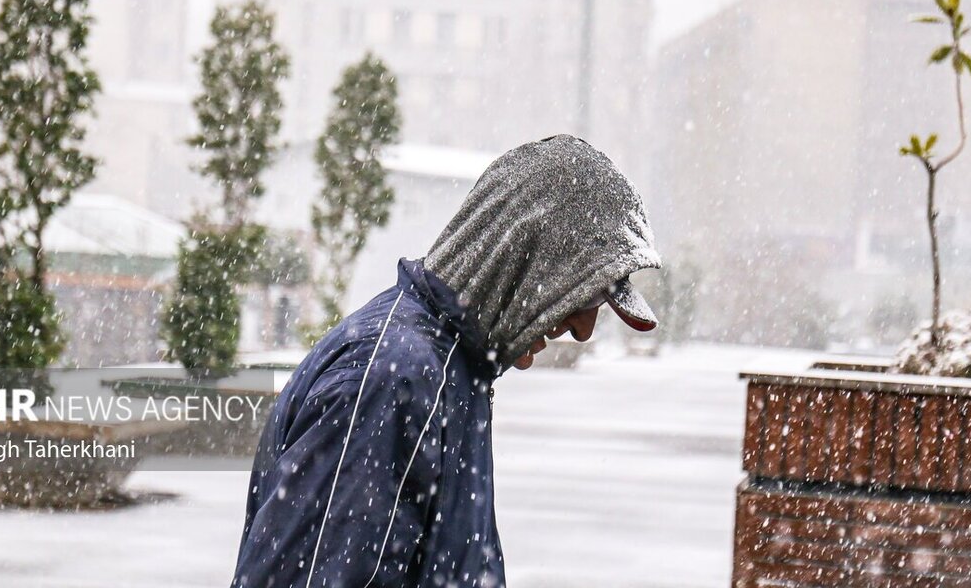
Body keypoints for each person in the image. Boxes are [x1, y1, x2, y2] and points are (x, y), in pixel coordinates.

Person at [232, 135, 661, 587]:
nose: (583, 329)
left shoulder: (446, 371)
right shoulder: (391, 380)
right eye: (588, 293)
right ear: (527, 259)